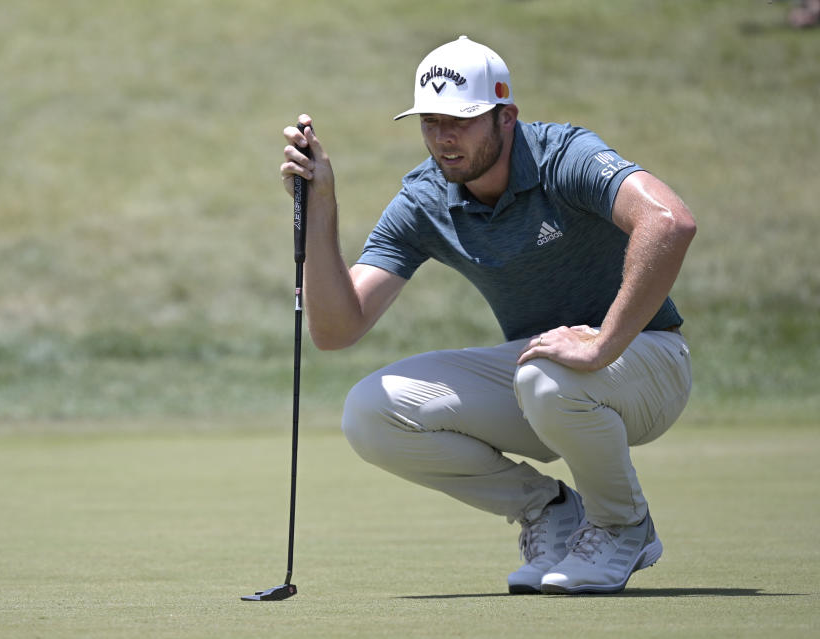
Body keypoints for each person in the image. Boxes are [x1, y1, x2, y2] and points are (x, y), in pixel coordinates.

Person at [280, 35, 696, 595]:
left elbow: (669, 222)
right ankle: (550, 510)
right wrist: (322, 204)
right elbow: (336, 328)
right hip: (544, 380)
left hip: (648, 362)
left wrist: (602, 345)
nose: (444, 138)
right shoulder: (425, 199)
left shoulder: (562, 156)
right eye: (430, 121)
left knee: (546, 377)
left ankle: (623, 525)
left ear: (506, 118)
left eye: (462, 119)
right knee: (370, 412)